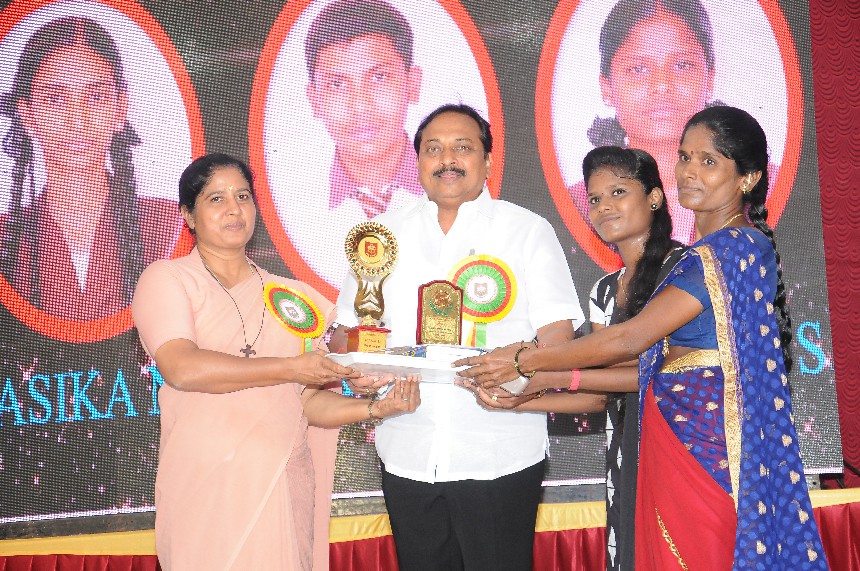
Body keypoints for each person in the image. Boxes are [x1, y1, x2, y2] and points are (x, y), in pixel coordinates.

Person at [457, 106, 829, 569]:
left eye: (709, 161)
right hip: (673, 434)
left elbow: (629, 339)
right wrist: (534, 382)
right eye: (685, 157)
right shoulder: (704, 255)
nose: (689, 171)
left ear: (748, 179)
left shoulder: (732, 247)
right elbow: (636, 364)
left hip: (707, 447)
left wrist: (526, 361)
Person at [132, 153, 420, 570]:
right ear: (188, 216)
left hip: (284, 485)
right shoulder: (168, 278)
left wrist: (375, 405)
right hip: (207, 489)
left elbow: (306, 402)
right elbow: (182, 367)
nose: (234, 209)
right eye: (216, 198)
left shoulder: (293, 297)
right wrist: (289, 367)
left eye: (243, 196)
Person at [332, 104, 588, 570]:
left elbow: (559, 338)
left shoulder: (527, 231)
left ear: (487, 161)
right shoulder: (381, 236)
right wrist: (357, 371)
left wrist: (522, 383)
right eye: (433, 149)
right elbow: (345, 333)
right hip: (406, 449)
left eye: (462, 147)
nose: (447, 159)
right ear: (417, 161)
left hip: (499, 449)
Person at [465, 146, 684, 571]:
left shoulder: (684, 270)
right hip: (625, 452)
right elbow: (597, 392)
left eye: (618, 192)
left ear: (655, 197)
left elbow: (654, 369)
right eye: (595, 199)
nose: (604, 207)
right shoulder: (604, 290)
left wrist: (532, 364)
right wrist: (520, 400)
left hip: (682, 441)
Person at [0, 16, 178, 320]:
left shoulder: (171, 225)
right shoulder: (5, 237)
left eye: (95, 97)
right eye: (55, 99)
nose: (77, 121)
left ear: (120, 109)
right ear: (27, 115)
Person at [568, 0, 723, 244]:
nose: (661, 85)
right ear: (606, 87)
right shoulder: (577, 203)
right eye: (638, 69)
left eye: (682, 65)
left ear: (710, 79)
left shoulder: (755, 184)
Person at [305, 0, 424, 219]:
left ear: (412, 85)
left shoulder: (466, 190)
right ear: (315, 100)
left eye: (379, 77)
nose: (360, 107)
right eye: (337, 84)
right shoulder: (295, 200)